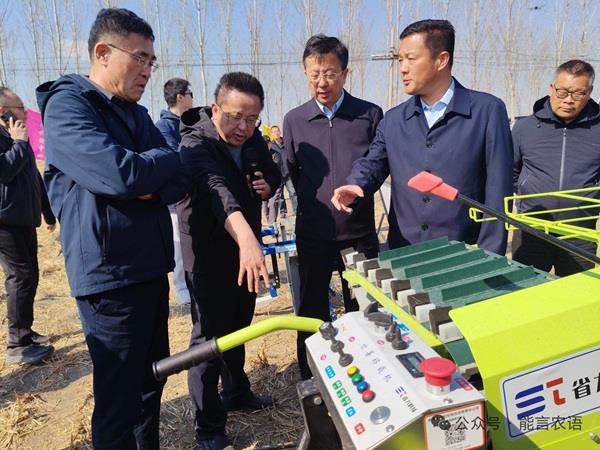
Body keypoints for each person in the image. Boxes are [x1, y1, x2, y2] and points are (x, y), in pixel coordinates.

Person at [37, 8, 186, 449]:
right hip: (109, 278)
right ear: (103, 52)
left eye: (151, 61)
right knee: (119, 400)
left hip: (149, 268)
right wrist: (148, 170)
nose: (147, 70)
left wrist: (149, 174)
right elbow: (122, 175)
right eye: (139, 58)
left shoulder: (134, 114)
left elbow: (176, 176)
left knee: (152, 382)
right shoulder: (68, 106)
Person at [332, 19, 512, 256]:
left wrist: (490, 257)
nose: (403, 68)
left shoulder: (486, 111)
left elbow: (498, 191)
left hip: (464, 255)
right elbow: (373, 162)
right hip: (405, 253)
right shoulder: (394, 120)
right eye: (400, 60)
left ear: (441, 60)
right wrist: (356, 183)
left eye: (411, 58)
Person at [177, 72, 280, 450]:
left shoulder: (252, 139)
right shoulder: (195, 143)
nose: (243, 127)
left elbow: (272, 168)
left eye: (252, 119)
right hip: (209, 255)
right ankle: (208, 424)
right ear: (215, 108)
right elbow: (217, 191)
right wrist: (248, 240)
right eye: (236, 117)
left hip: (245, 254)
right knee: (208, 340)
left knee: (239, 325)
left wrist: (269, 184)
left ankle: (236, 391)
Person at [283, 34, 383, 380]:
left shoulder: (368, 115)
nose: (321, 82)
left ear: (345, 73)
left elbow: (378, 166)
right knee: (311, 308)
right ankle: (312, 377)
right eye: (314, 74)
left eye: (329, 74)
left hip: (359, 233)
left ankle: (371, 373)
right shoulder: (295, 120)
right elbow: (291, 170)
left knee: (364, 307)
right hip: (314, 233)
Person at [512, 59, 600, 276]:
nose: (568, 100)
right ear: (552, 88)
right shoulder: (525, 128)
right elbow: (511, 172)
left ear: (589, 92)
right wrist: (527, 192)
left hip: (580, 232)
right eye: (562, 92)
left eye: (578, 93)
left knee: (576, 292)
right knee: (527, 290)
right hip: (531, 230)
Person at [0, 87, 55, 365]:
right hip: (5, 221)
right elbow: (4, 171)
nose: (24, 113)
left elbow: (33, 177)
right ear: (3, 112)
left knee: (30, 275)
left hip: (23, 218)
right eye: (20, 108)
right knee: (20, 277)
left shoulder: (16, 138)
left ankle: (26, 330)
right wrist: (20, 144)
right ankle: (17, 344)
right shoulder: (15, 140)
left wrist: (48, 212)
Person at [155, 77, 194, 304]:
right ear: (180, 97)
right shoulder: (164, 127)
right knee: (179, 246)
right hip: (174, 201)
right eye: (190, 94)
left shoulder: (188, 123)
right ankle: (182, 289)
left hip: (192, 196)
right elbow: (174, 156)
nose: (192, 99)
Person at [270, 125, 296, 216]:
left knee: (293, 192)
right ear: (271, 134)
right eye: (274, 132)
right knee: (280, 196)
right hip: (277, 174)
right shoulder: (271, 146)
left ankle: (296, 211)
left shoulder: (286, 142)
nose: (276, 133)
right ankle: (283, 213)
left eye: (277, 131)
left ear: (280, 132)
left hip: (288, 172)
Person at [261, 135, 283, 227]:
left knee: (273, 203)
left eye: (267, 144)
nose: (266, 146)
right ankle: (269, 222)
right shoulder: (260, 155)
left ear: (270, 144)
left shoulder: (275, 154)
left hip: (275, 184)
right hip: (263, 184)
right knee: (264, 205)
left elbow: (275, 169)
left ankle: (272, 223)